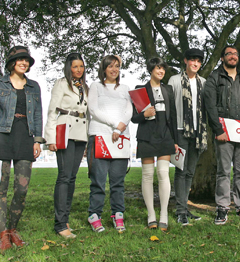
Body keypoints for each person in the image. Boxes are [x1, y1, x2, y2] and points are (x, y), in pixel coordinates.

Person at [0, 46, 44, 253]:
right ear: (12, 63)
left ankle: (14, 229)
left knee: (22, 188)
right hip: (2, 138)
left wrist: (37, 140)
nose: (23, 63)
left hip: (25, 138)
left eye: (26, 60)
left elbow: (37, 116)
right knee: (1, 187)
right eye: (19, 60)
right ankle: (3, 233)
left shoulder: (34, 87)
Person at [203, 45, 240, 225]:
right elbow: (209, 106)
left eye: (235, 54)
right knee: (224, 171)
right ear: (222, 58)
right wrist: (218, 130)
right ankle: (222, 207)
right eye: (229, 54)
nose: (233, 56)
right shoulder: (214, 78)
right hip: (224, 132)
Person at [86, 55, 133, 232]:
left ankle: (118, 214)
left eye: (117, 66)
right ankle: (94, 215)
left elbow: (128, 110)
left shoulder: (125, 88)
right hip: (100, 137)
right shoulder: (96, 86)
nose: (114, 69)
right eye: (110, 66)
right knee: (98, 180)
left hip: (121, 138)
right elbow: (93, 109)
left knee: (118, 181)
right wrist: (115, 125)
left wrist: (120, 129)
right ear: (104, 69)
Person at [44, 53, 88, 238]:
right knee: (64, 176)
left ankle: (65, 218)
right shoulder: (61, 83)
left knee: (72, 177)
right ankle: (60, 224)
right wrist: (50, 138)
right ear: (69, 67)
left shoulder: (84, 86)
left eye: (81, 66)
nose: (78, 70)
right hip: (65, 131)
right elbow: (52, 110)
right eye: (75, 66)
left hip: (80, 133)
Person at [131, 57, 178, 231]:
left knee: (163, 173)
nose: (161, 72)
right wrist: (144, 114)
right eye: (158, 68)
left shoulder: (168, 90)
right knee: (147, 175)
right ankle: (151, 215)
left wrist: (175, 141)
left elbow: (172, 117)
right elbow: (133, 118)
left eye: (163, 69)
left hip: (165, 136)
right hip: (146, 137)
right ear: (151, 70)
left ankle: (164, 215)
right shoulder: (139, 90)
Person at [168, 49, 207, 225]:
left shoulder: (204, 83)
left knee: (190, 171)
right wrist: (172, 136)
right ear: (185, 61)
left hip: (198, 133)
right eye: (192, 60)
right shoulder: (175, 80)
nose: (195, 63)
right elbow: (169, 107)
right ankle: (180, 211)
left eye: (198, 61)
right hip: (180, 130)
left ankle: (184, 207)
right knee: (181, 171)